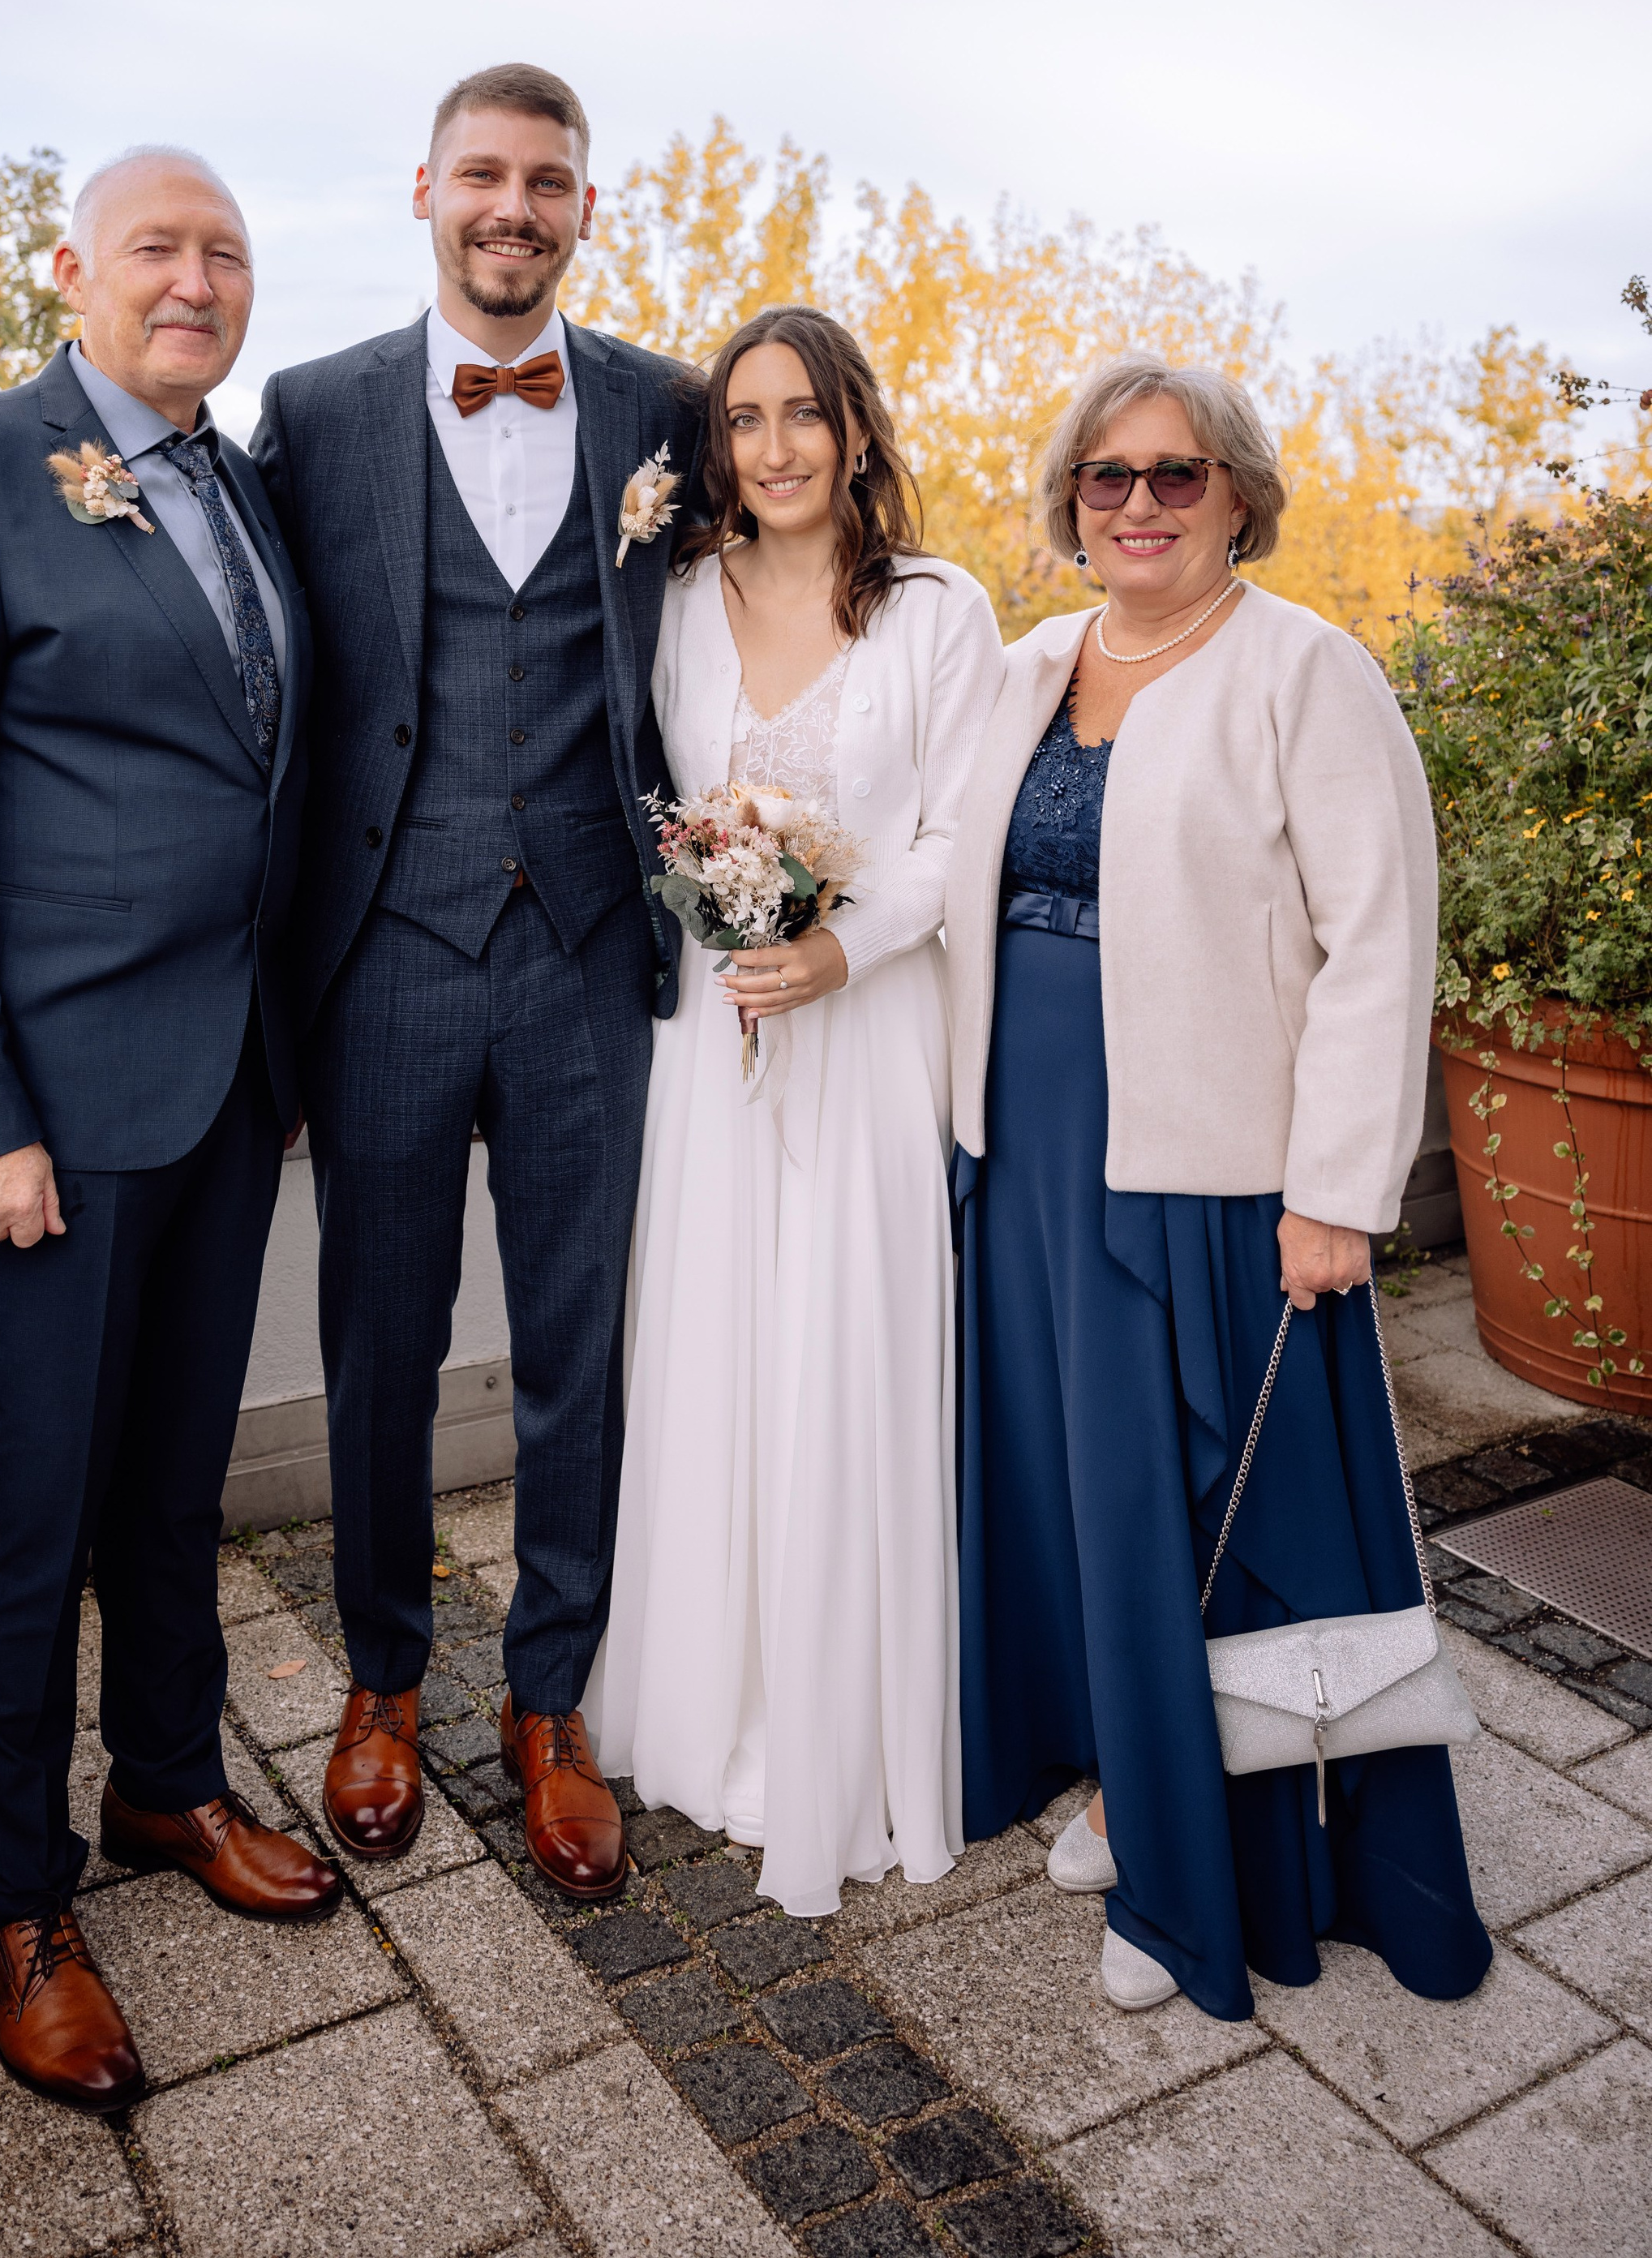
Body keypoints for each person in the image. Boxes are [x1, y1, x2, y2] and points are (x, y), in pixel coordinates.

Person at [0, 146, 340, 2116]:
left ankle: (161, 1782)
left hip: (222, 1087)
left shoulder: (243, 483)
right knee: (32, 1507)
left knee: (169, 1481)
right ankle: (11, 1897)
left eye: (226, 252)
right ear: (73, 268)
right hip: (42, 1113)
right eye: (160, 246)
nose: (197, 278)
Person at [943, 354, 1491, 2020]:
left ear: (1237, 491)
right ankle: (1120, 1777)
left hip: (1208, 1176)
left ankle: (1207, 1869)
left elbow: (1375, 942)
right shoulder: (1035, 659)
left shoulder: (1304, 669)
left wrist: (1332, 1190)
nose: (1136, 504)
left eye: (1174, 474)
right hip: (1026, 1161)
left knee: (1192, 1512)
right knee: (1070, 1503)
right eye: (1104, 477)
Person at [251, 62, 700, 1899]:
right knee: (379, 1338)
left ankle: (549, 1694)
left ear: (585, 205)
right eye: (483, 176)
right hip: (386, 955)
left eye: (549, 179)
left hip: (594, 946)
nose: (513, 206)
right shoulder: (314, 406)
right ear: (423, 188)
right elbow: (256, 666)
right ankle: (379, 1675)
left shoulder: (666, 406)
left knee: (581, 1342)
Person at [591, 307, 1003, 1915]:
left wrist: (837, 944)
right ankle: (709, 1703)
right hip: (715, 1037)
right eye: (742, 418)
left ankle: (840, 1732)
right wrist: (735, 919)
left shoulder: (933, 610)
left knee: (844, 1351)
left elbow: (958, 836)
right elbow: (647, 799)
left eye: (801, 413)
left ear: (851, 428)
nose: (771, 446)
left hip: (868, 1026)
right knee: (712, 1350)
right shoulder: (676, 599)